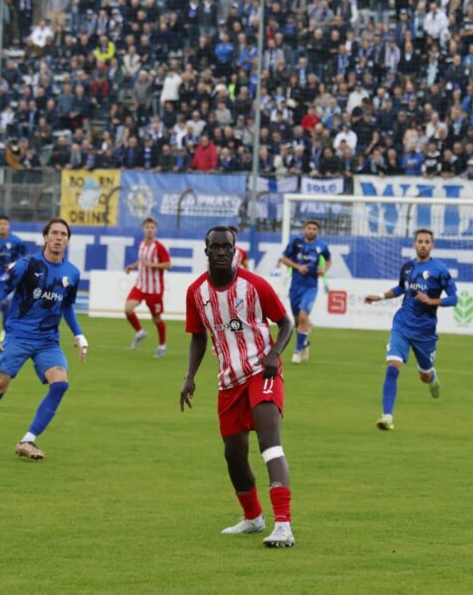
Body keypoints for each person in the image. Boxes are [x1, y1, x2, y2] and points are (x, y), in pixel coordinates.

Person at [180, 226, 297, 548]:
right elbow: (198, 336)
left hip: (263, 371)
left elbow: (286, 322)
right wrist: (189, 377)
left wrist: (275, 353)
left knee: (270, 443)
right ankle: (253, 517)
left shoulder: (255, 285)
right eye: (214, 247)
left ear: (235, 251)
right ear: (206, 251)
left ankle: (283, 525)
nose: (220, 251)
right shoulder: (196, 293)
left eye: (226, 247)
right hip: (228, 382)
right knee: (234, 454)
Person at [0, 219, 87, 461]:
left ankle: (28, 440)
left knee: (61, 384)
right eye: (54, 233)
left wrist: (78, 334)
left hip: (48, 340)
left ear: (68, 240)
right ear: (45, 237)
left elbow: (66, 305)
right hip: (17, 335)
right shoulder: (26, 265)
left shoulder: (72, 273)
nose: (58, 237)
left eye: (63, 234)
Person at [364, 228, 458, 430]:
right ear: (414, 244)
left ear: (432, 245)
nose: (423, 245)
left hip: (425, 332)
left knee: (424, 376)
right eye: (420, 241)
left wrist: (431, 300)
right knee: (392, 367)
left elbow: (454, 298)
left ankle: (431, 376)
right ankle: (387, 416)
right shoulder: (408, 267)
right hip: (402, 325)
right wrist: (379, 296)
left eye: (427, 242)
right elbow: (400, 289)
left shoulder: (440, 270)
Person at [278, 220, 331, 364]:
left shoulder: (322, 246)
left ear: (317, 231)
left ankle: (297, 351)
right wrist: (297, 266)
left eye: (314, 229)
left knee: (303, 317)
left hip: (311, 286)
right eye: (309, 228)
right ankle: (304, 342)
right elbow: (283, 259)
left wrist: (324, 270)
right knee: (297, 321)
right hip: (295, 286)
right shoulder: (295, 242)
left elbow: (328, 261)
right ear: (305, 229)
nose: (311, 230)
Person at [124, 217, 171, 358]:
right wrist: (133, 266)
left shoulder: (159, 247)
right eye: (147, 227)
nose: (149, 230)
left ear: (155, 229)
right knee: (128, 309)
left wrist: (152, 265)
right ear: (143, 229)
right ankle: (139, 332)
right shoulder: (142, 243)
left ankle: (162, 345)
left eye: (152, 227)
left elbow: (168, 264)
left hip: (154, 289)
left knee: (156, 319)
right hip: (140, 285)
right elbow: (142, 260)